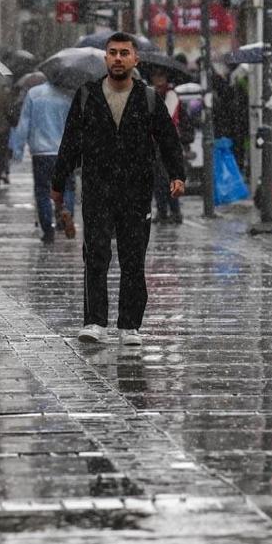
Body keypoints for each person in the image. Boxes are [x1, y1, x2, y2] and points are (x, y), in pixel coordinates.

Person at [51, 32, 186, 347]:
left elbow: (168, 139)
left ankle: (129, 324)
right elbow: (70, 141)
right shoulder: (88, 95)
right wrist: (58, 182)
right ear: (105, 58)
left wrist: (177, 175)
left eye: (125, 53)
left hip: (136, 191)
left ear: (135, 59)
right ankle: (94, 320)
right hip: (97, 188)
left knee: (133, 258)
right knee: (95, 254)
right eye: (113, 53)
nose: (118, 58)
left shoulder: (147, 98)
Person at [10, 80, 77, 243]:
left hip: (41, 153)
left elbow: (24, 122)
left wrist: (18, 149)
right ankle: (66, 213)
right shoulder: (68, 95)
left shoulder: (34, 94)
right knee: (67, 187)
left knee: (42, 191)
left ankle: (48, 229)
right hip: (64, 151)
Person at [148, 66, 193, 224]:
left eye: (161, 76)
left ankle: (175, 212)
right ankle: (162, 212)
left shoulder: (172, 96)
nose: (159, 79)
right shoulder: (150, 94)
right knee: (158, 181)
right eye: (155, 76)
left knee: (169, 178)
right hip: (154, 145)